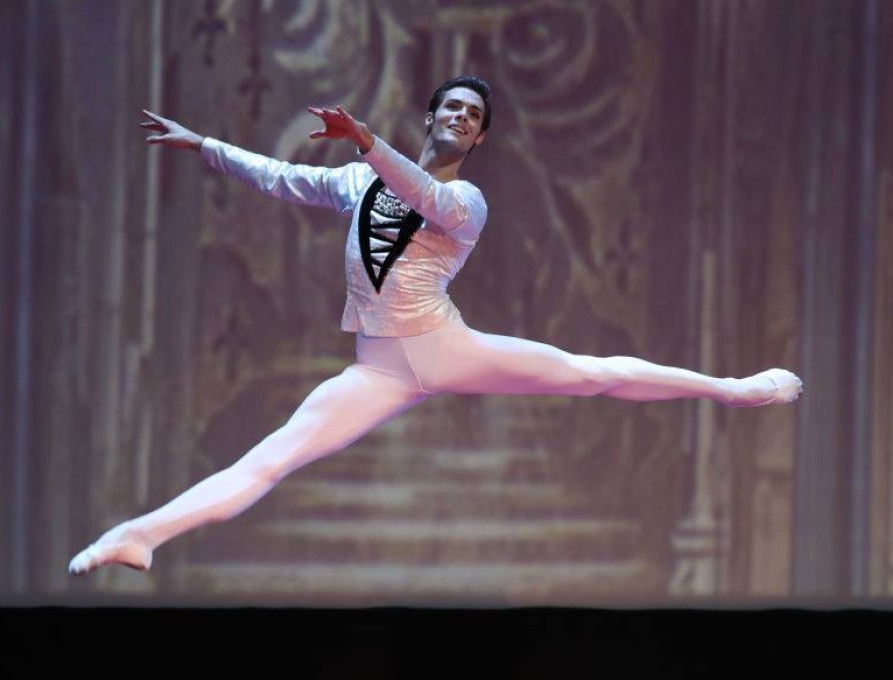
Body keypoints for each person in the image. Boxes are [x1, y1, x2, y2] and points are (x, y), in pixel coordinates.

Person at [69, 76, 802, 575]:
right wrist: (204, 146)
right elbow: (281, 176)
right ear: (430, 116)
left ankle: (737, 389)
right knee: (268, 460)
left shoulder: (468, 200)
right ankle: (139, 536)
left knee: (591, 374)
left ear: (479, 140)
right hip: (378, 369)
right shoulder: (359, 181)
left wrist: (366, 142)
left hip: (444, 349)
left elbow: (419, 192)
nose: (458, 118)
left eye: (472, 117)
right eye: (450, 107)